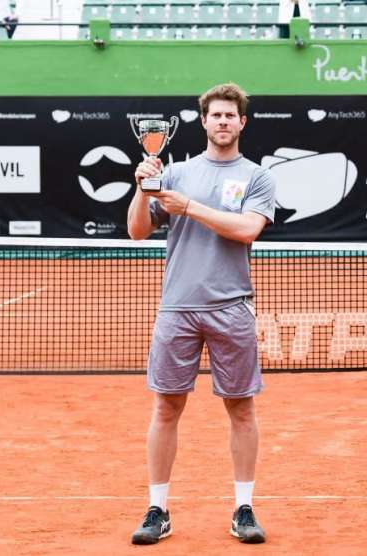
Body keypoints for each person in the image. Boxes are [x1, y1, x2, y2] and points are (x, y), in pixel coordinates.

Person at [127, 83, 276, 545]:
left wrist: (191, 207)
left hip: (231, 307)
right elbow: (136, 231)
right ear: (203, 121)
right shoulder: (174, 173)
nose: (224, 122)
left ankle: (244, 508)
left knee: (241, 409)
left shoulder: (257, 177)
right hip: (177, 307)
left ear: (242, 123)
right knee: (166, 407)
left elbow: (248, 229)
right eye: (216, 115)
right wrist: (141, 190)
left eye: (231, 115)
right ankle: (157, 509)